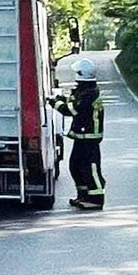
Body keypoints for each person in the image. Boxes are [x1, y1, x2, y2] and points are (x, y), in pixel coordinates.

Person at [49, 58, 106, 210]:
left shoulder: (89, 94)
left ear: (81, 74)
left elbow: (71, 110)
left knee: (90, 168)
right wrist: (60, 98)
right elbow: (73, 101)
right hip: (81, 137)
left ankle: (96, 200)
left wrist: (54, 103)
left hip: (89, 139)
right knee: (75, 166)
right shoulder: (86, 90)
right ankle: (83, 196)